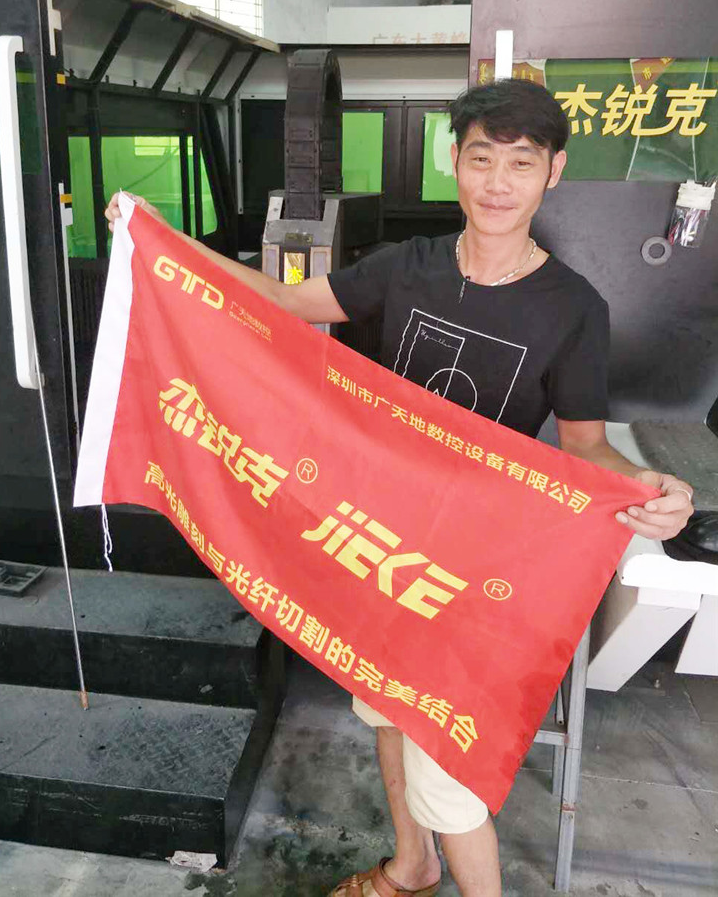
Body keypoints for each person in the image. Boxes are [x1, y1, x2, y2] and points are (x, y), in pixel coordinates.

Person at [106, 79, 694, 897]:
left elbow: (586, 445)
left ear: (553, 172)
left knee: (449, 775)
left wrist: (648, 487)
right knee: (383, 706)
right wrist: (164, 239)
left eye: (521, 163)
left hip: (472, 571)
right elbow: (282, 301)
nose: (497, 182)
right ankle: (412, 866)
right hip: (382, 550)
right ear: (454, 161)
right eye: (481, 158)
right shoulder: (405, 267)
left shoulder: (573, 309)